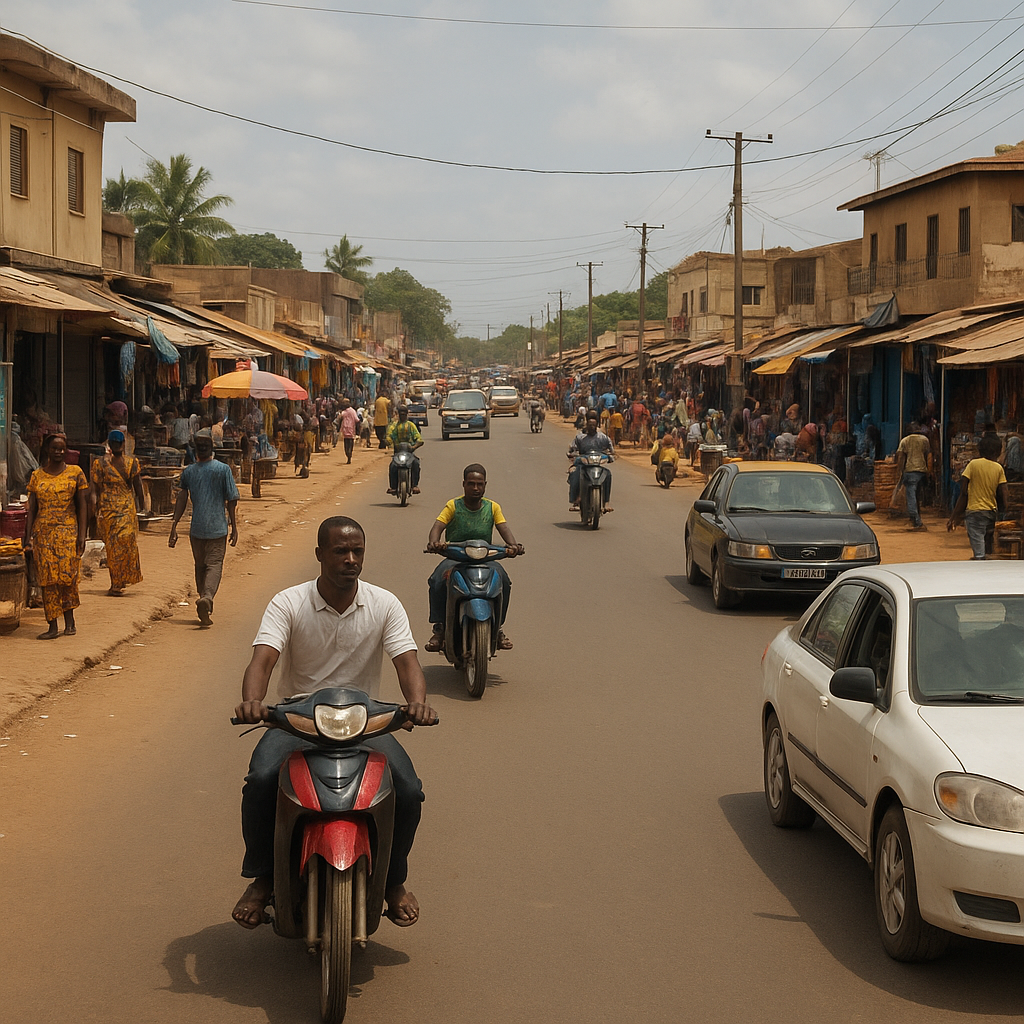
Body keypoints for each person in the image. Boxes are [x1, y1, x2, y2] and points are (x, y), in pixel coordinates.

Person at [232, 517, 436, 930]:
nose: (350, 559)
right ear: (319, 554)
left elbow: (407, 662)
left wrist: (417, 705)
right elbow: (263, 660)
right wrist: (253, 702)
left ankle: (394, 881)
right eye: (340, 551)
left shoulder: (384, 604)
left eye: (357, 551)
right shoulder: (289, 602)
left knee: (409, 791)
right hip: (298, 720)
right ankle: (262, 878)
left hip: (363, 721)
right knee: (261, 780)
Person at [424, 464, 524, 653]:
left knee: (504, 581)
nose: (475, 488)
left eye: (479, 484)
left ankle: (498, 628)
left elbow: (504, 528)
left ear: (485, 485)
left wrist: (513, 546)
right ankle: (439, 629)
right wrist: (434, 543)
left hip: (484, 557)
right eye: (471, 484)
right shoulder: (453, 505)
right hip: (456, 556)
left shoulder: (492, 507)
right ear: (464, 484)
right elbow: (437, 526)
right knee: (436, 580)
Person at [168, 434, 240, 625]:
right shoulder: (223, 470)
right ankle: (207, 597)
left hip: (197, 529)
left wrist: (174, 525)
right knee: (214, 565)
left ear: (195, 451)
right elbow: (231, 499)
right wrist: (234, 526)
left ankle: (203, 601)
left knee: (200, 566)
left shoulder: (189, 472)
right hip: (218, 528)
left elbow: (181, 499)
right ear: (212, 449)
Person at [25, 434, 89, 640]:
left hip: (68, 532)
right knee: (47, 579)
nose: (59, 452)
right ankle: (52, 625)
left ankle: (70, 623)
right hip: (43, 534)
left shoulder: (75, 473)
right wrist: (27, 537)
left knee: (67, 577)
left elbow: (82, 507)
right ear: (47, 450)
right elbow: (32, 509)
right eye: (55, 448)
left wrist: (82, 535)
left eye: (62, 448)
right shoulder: (37, 476)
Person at [90, 430, 145, 596]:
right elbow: (94, 488)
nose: (115, 446)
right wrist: (94, 506)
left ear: (122, 444)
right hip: (108, 511)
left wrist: (143, 507)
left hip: (125, 510)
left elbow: (137, 486)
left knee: (126, 542)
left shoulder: (131, 463)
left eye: (117, 443)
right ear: (111, 445)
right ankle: (116, 582)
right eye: (113, 443)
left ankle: (124, 578)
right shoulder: (100, 464)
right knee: (113, 547)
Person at [948, 434, 1007, 559]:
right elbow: (1003, 492)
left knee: (979, 551)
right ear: (997, 452)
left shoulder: (973, 465)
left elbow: (963, 493)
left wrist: (954, 516)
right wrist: (1007, 511)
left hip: (974, 513)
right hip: (991, 512)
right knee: (987, 546)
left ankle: (980, 565)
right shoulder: (999, 468)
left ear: (979, 450)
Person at [568, 410, 614, 512]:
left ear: (597, 425)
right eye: (590, 424)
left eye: (594, 425)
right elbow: (573, 448)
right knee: (575, 473)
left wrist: (610, 455)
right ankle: (576, 499)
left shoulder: (603, 437)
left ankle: (606, 502)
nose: (592, 427)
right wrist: (573, 454)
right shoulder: (580, 437)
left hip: (598, 462)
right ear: (586, 424)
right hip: (584, 462)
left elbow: (611, 450)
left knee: (608, 475)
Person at [895, 422, 932, 530]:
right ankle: (916, 518)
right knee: (917, 496)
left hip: (910, 471)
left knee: (911, 497)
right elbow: (928, 455)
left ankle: (917, 522)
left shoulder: (905, 441)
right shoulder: (924, 440)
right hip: (922, 471)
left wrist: (899, 472)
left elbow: (901, 458)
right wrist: (929, 471)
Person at [386, 405, 424, 495]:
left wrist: (414, 446)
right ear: (398, 415)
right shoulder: (394, 426)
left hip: (409, 453)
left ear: (407, 415)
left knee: (416, 463)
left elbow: (419, 438)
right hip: (398, 453)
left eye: (404, 414)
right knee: (392, 467)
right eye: (401, 414)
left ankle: (415, 485)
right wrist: (387, 441)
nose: (402, 416)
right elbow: (389, 436)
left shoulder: (411, 426)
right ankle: (393, 487)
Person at [339, 398, 359, 464]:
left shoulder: (344, 412)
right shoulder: (353, 411)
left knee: (346, 445)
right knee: (350, 443)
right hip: (351, 430)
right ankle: (349, 455)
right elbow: (357, 419)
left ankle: (348, 454)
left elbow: (340, 417)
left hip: (345, 429)